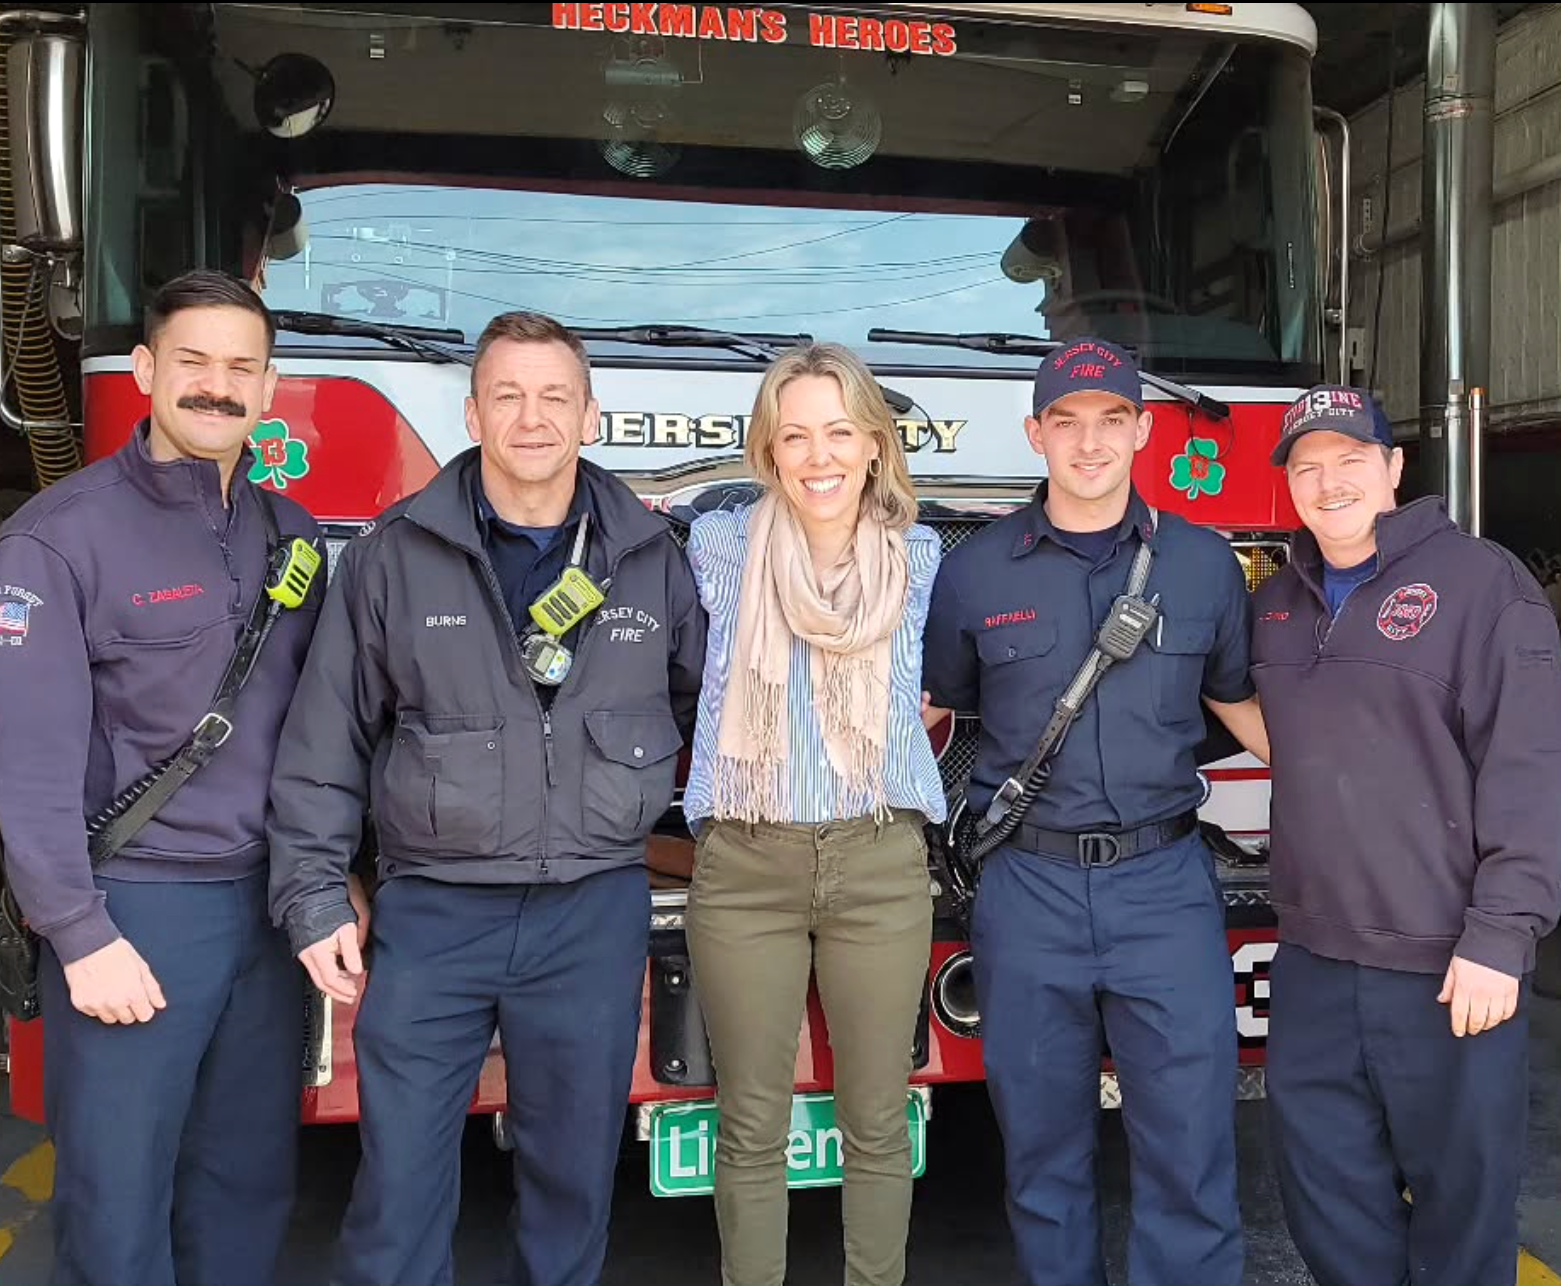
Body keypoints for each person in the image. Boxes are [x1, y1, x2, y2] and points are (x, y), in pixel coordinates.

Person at [267, 310, 707, 1286]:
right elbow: (326, 735)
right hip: (434, 910)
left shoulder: (649, 556)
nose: (531, 416)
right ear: (471, 410)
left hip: (592, 908)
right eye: (507, 394)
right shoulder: (394, 555)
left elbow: (702, 708)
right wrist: (313, 889)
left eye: (554, 395)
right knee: (400, 1180)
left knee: (572, 1179)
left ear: (589, 414)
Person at [0, 269, 325, 1286]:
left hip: (263, 916)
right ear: (144, 371)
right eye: (193, 363)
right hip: (135, 911)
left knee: (245, 1188)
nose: (217, 387)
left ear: (266, 388)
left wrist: (324, 874)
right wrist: (80, 934)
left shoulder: (290, 535)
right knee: (119, 1206)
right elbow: (18, 763)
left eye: (240, 368)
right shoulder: (55, 539)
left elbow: (314, 732)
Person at [922, 336, 1267, 1286]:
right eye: (1066, 423)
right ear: (1035, 433)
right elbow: (928, 717)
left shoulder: (1201, 566)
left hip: (1164, 889)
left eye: (1110, 421)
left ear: (1143, 430)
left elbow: (1247, 711)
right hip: (1027, 890)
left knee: (1190, 1150)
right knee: (1042, 1158)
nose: (1088, 443)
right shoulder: (975, 571)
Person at [1250, 386, 1561, 1286]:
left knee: (1463, 1212)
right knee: (1326, 1200)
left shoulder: (1481, 585)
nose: (1329, 481)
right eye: (1307, 467)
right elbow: (1259, 716)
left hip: (1447, 965)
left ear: (1393, 470)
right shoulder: (1277, 605)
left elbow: (1531, 762)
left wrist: (1503, 936)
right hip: (1313, 961)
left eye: (1351, 460)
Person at [681, 344, 944, 1286]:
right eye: (793, 435)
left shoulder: (921, 556)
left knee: (876, 1118)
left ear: (875, 443)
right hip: (747, 865)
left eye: (839, 431)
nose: (817, 454)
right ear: (768, 449)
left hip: (878, 862)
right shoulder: (714, 547)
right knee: (749, 1122)